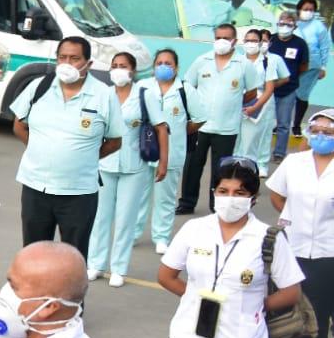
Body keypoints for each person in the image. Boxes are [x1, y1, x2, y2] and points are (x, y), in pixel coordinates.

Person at [158, 157, 304, 338]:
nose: (230, 199)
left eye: (240, 193)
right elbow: (166, 275)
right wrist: (195, 297)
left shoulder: (267, 236)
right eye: (223, 191)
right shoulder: (195, 229)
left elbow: (291, 291)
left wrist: (255, 307)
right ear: (213, 192)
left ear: (253, 198)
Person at [10, 36, 121, 258]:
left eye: (74, 58)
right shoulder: (39, 86)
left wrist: (84, 157)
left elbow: (115, 141)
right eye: (62, 57)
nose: (67, 63)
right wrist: (41, 151)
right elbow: (19, 126)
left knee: (73, 258)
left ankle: (70, 295)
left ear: (88, 63)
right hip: (35, 188)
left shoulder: (104, 95)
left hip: (78, 193)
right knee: (34, 255)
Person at [87, 51, 169, 287]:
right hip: (104, 164)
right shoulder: (103, 94)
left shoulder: (144, 95)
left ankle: (119, 268)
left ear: (132, 71)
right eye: (114, 65)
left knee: (125, 219)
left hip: (134, 166)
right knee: (100, 217)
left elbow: (161, 128)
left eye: (123, 66)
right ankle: (95, 263)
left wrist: (163, 162)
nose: (118, 70)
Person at [267, 108, 334, 338]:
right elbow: (277, 195)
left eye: (328, 133)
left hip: (326, 253)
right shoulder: (295, 163)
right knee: (281, 310)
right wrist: (291, 218)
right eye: (315, 131)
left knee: (316, 314)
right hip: (291, 247)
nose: (320, 137)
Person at [178, 23, 264, 214]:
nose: (221, 41)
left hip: (227, 127)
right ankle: (187, 202)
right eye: (218, 38)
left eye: (226, 38)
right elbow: (188, 87)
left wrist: (233, 102)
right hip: (199, 126)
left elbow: (251, 92)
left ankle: (216, 205)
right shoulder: (202, 61)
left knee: (221, 169)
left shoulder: (243, 64)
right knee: (192, 165)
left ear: (234, 41)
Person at [137, 48, 198, 255]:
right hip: (144, 150)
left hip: (172, 152)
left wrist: (178, 132)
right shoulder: (143, 86)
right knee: (139, 195)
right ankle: (133, 233)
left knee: (166, 197)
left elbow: (198, 120)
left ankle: (161, 237)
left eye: (168, 63)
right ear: (153, 67)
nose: (163, 67)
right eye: (159, 63)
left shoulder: (185, 90)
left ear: (177, 67)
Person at [237, 26, 288, 170]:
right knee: (236, 139)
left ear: (260, 43)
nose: (250, 43)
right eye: (247, 40)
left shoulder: (268, 61)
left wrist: (255, 106)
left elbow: (271, 87)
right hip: (238, 101)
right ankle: (233, 168)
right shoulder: (238, 60)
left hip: (259, 102)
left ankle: (254, 168)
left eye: (254, 40)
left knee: (254, 138)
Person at [266, 11, 310, 160]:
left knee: (283, 124)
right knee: (263, 123)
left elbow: (304, 65)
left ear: (294, 26)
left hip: (288, 89)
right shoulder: (270, 40)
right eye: (282, 23)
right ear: (277, 23)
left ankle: (279, 153)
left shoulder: (300, 44)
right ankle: (261, 153)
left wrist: (291, 76)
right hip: (268, 88)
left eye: (288, 23)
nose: (284, 26)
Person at [294, 0, 331, 129]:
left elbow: (325, 47)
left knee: (302, 96)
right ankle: (281, 124)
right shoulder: (292, 24)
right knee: (285, 95)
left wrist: (323, 67)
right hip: (291, 65)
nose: (308, 12)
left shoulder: (318, 27)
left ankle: (296, 125)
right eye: (305, 9)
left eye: (311, 10)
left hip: (311, 67)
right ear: (299, 9)